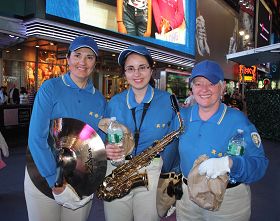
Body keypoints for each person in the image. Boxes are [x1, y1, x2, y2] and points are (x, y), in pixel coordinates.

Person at [24, 36, 107, 221]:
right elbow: (37, 138)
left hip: (80, 180)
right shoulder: (50, 88)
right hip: (42, 174)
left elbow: (97, 144)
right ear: (68, 58)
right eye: (77, 55)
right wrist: (54, 179)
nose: (82, 62)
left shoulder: (99, 100)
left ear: (95, 63)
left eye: (89, 57)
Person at [175, 60, 268, 220]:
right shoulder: (182, 117)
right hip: (187, 199)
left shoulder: (238, 121)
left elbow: (259, 165)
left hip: (227, 202)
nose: (204, 89)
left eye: (211, 83)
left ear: (222, 87)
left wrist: (230, 164)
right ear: (192, 88)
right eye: (198, 83)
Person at [104, 45, 180, 221]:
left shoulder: (169, 100)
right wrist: (106, 148)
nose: (136, 74)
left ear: (151, 70)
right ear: (124, 73)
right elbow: (104, 139)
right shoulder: (114, 102)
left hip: (152, 172)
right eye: (130, 69)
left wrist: (169, 176)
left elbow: (177, 140)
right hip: (118, 169)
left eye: (142, 67)